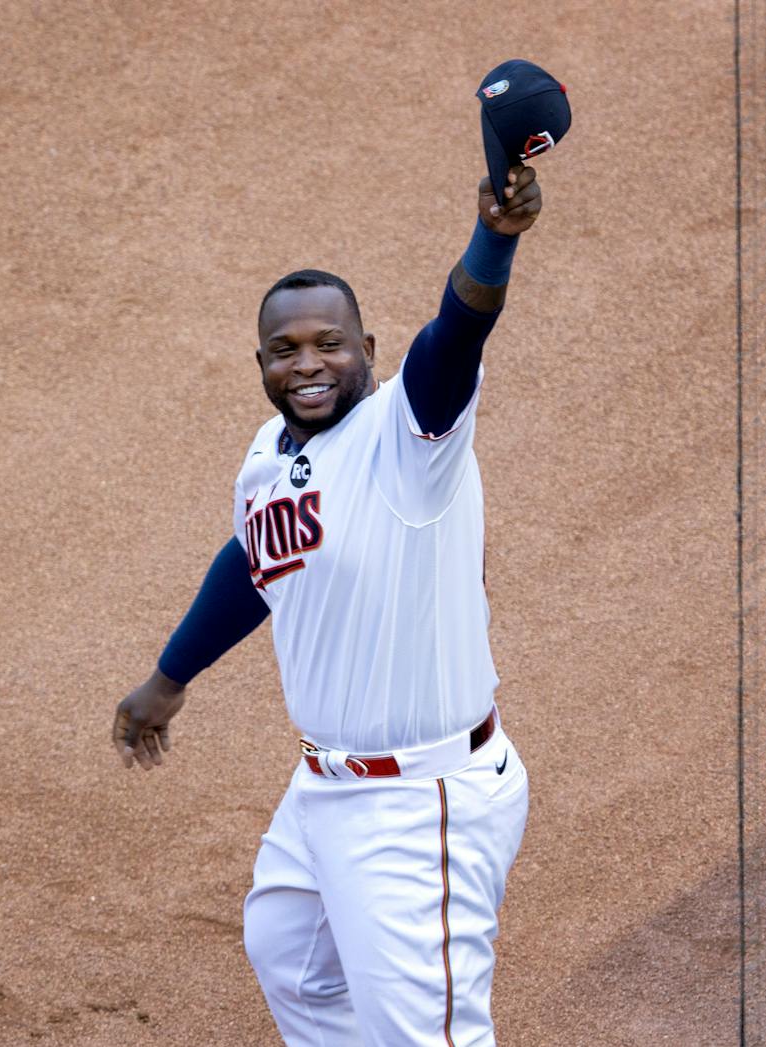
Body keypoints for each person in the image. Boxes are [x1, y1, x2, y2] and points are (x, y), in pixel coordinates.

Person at [112, 160, 543, 1045]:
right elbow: (253, 558)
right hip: (324, 788)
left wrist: (493, 240)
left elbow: (456, 335)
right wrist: (170, 676)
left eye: (329, 344)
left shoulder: (410, 433)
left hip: (422, 802)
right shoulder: (270, 453)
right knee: (292, 959)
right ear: (262, 362)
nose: (309, 364)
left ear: (369, 351)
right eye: (286, 349)